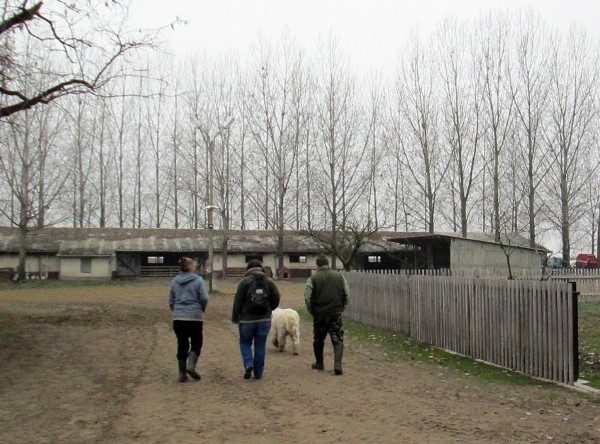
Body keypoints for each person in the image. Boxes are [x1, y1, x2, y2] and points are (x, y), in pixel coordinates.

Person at [231, 259, 281, 380]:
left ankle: (248, 364)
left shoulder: (244, 282)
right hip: (264, 319)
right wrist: (270, 308)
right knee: (260, 345)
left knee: (244, 343)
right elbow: (277, 296)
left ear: (247, 268)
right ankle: (258, 373)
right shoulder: (268, 281)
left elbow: (238, 301)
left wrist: (235, 317)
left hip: (246, 320)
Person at [304, 254, 349, 375]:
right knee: (338, 338)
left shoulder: (313, 278)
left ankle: (319, 363)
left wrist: (312, 311)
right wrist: (341, 308)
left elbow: (308, 297)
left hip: (319, 313)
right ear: (327, 264)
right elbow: (346, 294)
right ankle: (338, 364)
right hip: (335, 312)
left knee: (318, 339)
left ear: (317, 265)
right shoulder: (340, 276)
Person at [168, 257, 209, 383]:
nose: (195, 267)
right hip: (194, 317)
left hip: (179, 317)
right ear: (190, 267)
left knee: (182, 344)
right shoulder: (198, 280)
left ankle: (181, 373)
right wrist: (200, 309)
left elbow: (171, 300)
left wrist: (176, 310)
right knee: (197, 342)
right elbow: (204, 297)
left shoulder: (174, 281)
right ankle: (191, 365)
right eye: (194, 266)